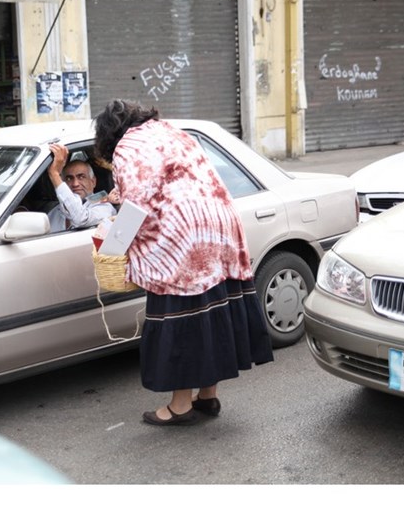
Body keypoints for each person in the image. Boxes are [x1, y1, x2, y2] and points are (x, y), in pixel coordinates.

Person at [93, 99, 274, 426]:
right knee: (212, 311)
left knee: (180, 319)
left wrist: (113, 244)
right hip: (220, 226)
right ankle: (207, 396)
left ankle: (179, 406)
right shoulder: (171, 133)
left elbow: (136, 207)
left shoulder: (128, 147)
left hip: (181, 238)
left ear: (108, 134)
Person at [46, 142, 116, 232]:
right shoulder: (55, 212)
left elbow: (80, 218)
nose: (75, 184)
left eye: (81, 177)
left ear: (93, 182)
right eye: (69, 178)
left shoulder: (104, 208)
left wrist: (54, 174)